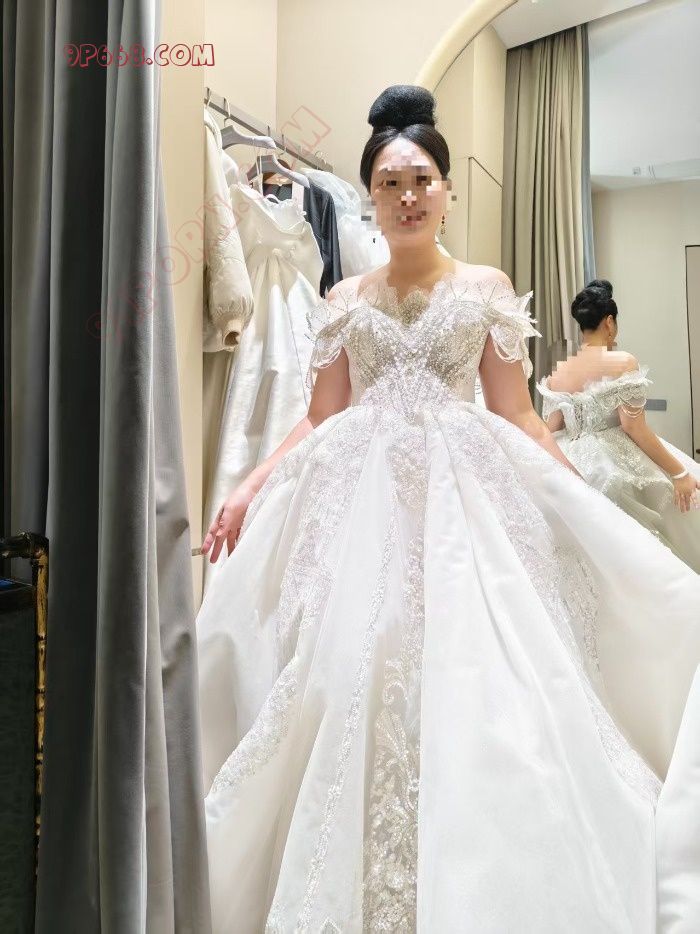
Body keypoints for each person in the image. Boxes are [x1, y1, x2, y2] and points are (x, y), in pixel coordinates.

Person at [196, 86, 700, 932]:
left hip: (467, 505)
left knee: (482, 668)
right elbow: (321, 416)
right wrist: (248, 488)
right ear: (369, 196)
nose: (407, 197)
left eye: (421, 180)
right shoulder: (343, 300)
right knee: (349, 662)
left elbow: (519, 415)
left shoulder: (484, 288)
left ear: (448, 190)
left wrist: (581, 499)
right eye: (390, 184)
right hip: (357, 502)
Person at [537, 279, 700, 572]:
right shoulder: (622, 361)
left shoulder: (560, 372)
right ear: (609, 322)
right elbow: (633, 427)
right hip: (613, 462)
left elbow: (551, 429)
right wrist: (679, 473)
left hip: (571, 463)